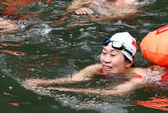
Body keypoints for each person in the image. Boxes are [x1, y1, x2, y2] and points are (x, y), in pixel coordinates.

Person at [26, 32, 154, 96]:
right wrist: (41, 82)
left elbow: (110, 93)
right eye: (104, 53)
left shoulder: (139, 79)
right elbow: (74, 80)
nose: (106, 59)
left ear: (129, 62)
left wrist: (61, 90)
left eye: (113, 55)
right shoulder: (98, 68)